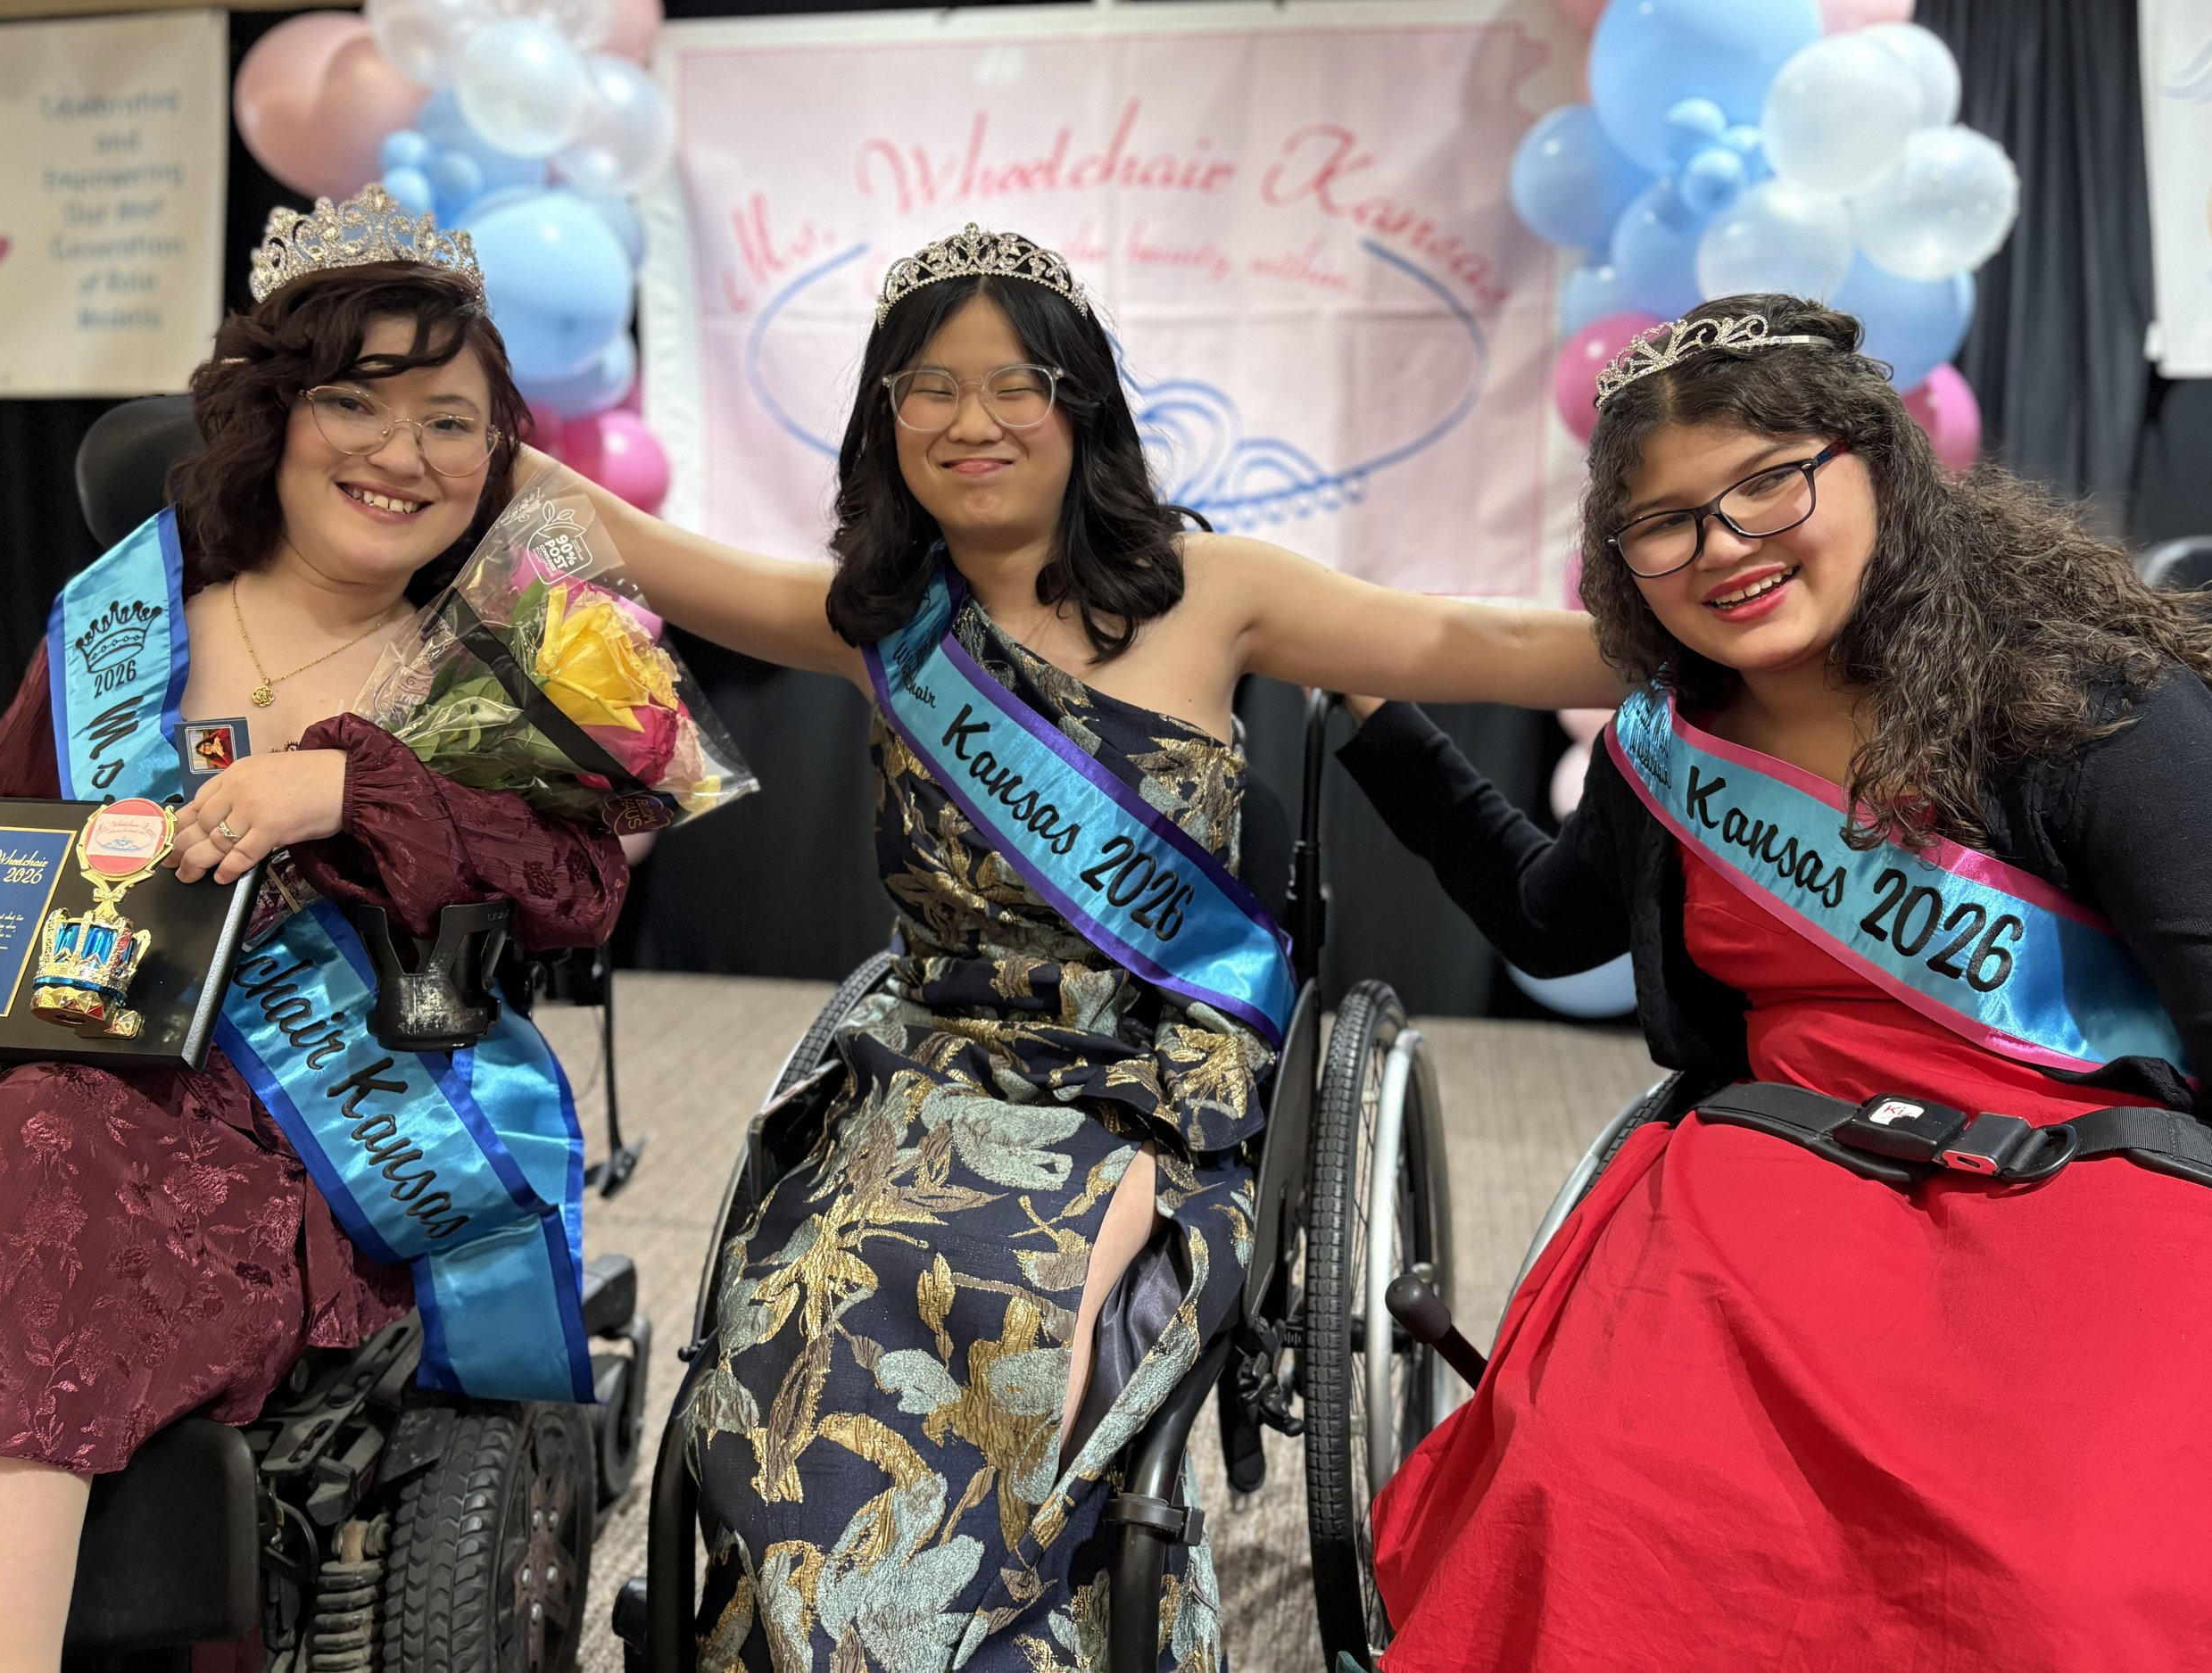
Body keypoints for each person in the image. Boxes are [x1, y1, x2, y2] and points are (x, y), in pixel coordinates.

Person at [532, 222, 1622, 1669]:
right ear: (884, 419)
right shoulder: (878, 624)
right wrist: (449, 434)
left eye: (1013, 384)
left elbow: (1468, 645)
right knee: (789, 1328)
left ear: (1082, 404)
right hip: (929, 1062)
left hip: (1148, 1078)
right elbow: (628, 542)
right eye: (929, 387)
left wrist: (1723, 621)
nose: (972, 421)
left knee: (1016, 1318)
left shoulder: (1215, 589)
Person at [1338, 296, 2212, 1669]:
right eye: (1668, 521)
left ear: (1882, 466)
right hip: (1776, 1171)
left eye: (1771, 484)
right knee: (1603, 1510)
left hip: (2090, 1178)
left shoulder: (2090, 703)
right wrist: (1380, 726)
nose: (1725, 548)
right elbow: (1546, 922)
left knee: (2069, 1585)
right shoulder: (1667, 745)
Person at [0, 187, 625, 1669]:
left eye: (451, 422)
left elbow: (577, 883)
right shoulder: (121, 622)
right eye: (354, 401)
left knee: (44, 1157)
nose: (403, 456)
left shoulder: (512, 650)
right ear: (272, 417)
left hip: (318, 1151)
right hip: (57, 1068)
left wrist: (340, 786)